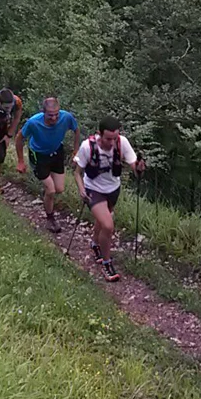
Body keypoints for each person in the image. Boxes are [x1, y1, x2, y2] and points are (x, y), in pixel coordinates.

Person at [74, 115, 145, 282]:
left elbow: (134, 167)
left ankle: (95, 243)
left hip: (113, 189)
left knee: (102, 221)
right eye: (108, 139)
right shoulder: (87, 146)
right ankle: (107, 263)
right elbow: (77, 172)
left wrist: (139, 168)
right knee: (108, 225)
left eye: (115, 138)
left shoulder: (122, 143)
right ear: (99, 134)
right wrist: (81, 189)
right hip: (93, 189)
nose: (112, 142)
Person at [16, 97, 80, 232]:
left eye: (56, 114)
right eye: (50, 115)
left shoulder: (66, 117)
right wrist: (21, 161)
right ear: (43, 112)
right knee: (51, 190)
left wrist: (76, 150)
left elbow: (76, 129)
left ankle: (46, 194)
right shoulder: (33, 122)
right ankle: (50, 219)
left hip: (56, 152)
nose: (54, 118)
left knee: (59, 189)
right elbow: (19, 138)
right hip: (38, 155)